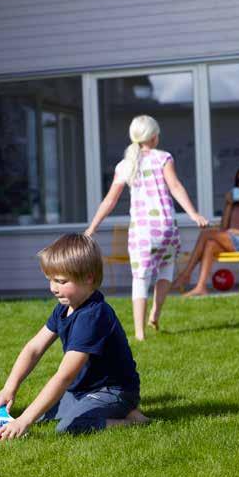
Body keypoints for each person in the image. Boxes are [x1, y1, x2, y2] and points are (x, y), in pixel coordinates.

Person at [0, 233, 149, 440]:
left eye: (61, 281)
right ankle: (118, 411)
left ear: (88, 278)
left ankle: (132, 420)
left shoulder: (93, 316)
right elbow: (34, 349)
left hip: (112, 390)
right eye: (50, 280)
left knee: (70, 427)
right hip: (82, 390)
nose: (53, 288)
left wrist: (24, 421)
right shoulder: (64, 308)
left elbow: (64, 376)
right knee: (40, 414)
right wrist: (9, 388)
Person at [84, 115, 208, 340]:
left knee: (140, 279)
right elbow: (176, 187)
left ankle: (140, 333)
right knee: (166, 271)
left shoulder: (125, 165)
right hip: (166, 228)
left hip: (142, 232)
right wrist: (193, 214)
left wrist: (92, 226)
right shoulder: (164, 158)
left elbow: (110, 201)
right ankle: (155, 314)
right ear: (153, 136)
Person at [173, 166, 239, 297]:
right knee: (210, 244)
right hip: (233, 239)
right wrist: (228, 204)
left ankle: (185, 274)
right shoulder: (235, 203)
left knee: (206, 234)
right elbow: (224, 228)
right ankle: (201, 287)